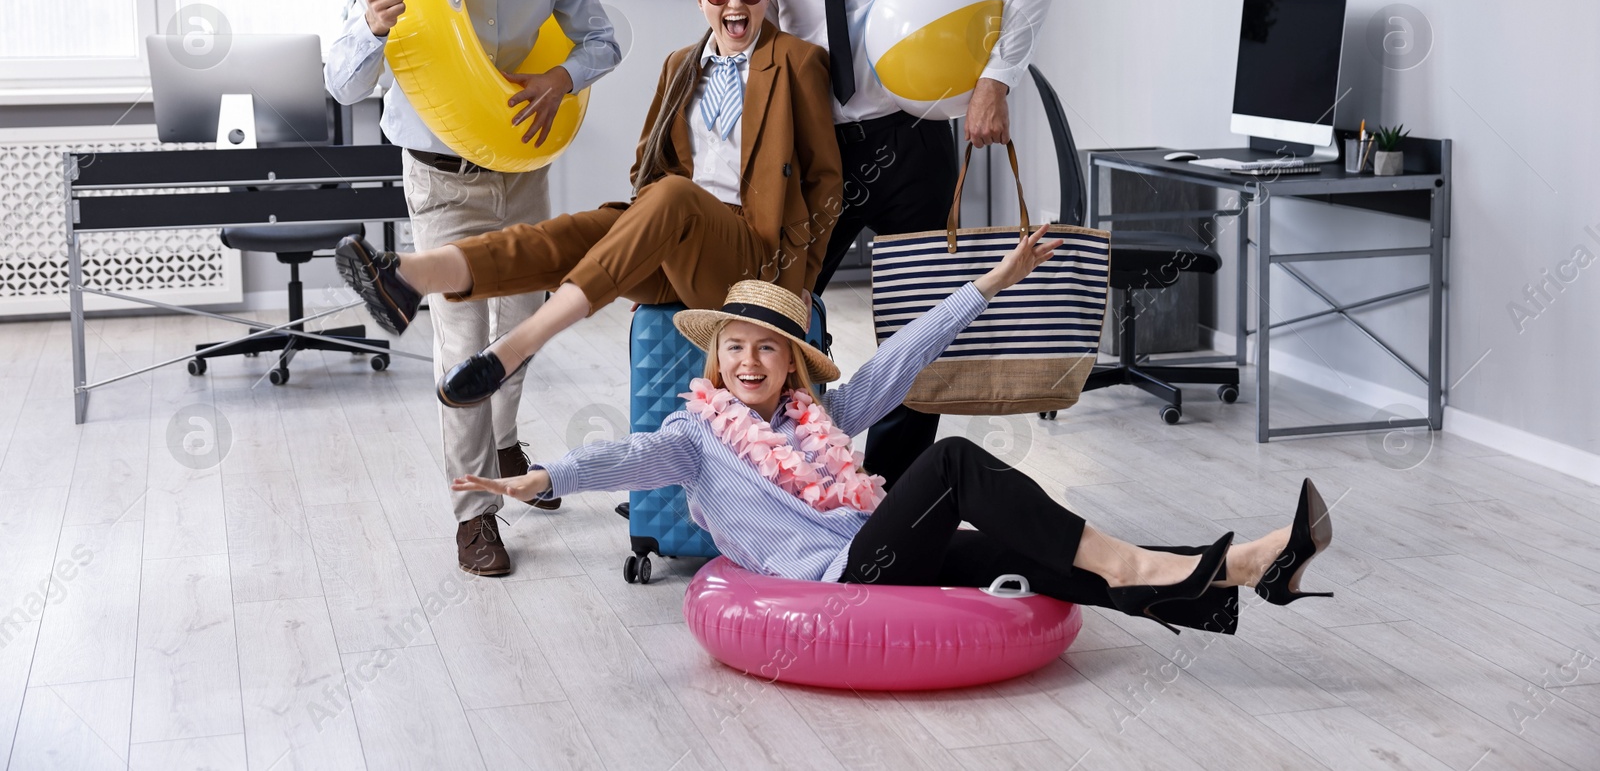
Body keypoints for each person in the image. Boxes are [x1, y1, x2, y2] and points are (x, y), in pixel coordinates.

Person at [452, 228, 1335, 635]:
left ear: (794, 364)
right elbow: (625, 455)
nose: (752, 360)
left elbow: (902, 358)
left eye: (770, 347)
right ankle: (1148, 565)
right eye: (736, 346)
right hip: (842, 575)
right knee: (949, 460)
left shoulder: (821, 415)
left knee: (1037, 564)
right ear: (716, 359)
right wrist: (546, 478)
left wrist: (991, 280)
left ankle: (1249, 567)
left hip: (874, 546)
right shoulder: (697, 436)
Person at [338, 0, 843, 572]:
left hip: (749, 259)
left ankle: (519, 341)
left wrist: (794, 284)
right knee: (580, 230)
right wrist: (637, 225)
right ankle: (409, 273)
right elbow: (648, 165)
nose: (735, 4)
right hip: (679, 237)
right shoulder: (681, 64)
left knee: (673, 199)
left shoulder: (798, 63)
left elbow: (827, 184)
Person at [326, 0, 622, 574]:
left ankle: (507, 437)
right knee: (460, 345)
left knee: (523, 325)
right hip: (441, 179)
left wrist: (561, 77)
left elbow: (603, 40)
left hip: (521, 171)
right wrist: (371, 26)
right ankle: (474, 512)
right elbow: (343, 84)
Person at [748, 0, 1052, 488]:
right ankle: (778, 469)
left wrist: (994, 81)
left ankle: (893, 490)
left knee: (918, 329)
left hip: (910, 141)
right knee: (779, 313)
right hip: (816, 149)